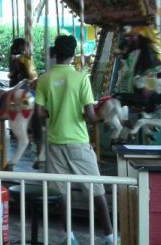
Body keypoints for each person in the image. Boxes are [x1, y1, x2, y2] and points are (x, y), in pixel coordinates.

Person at [35, 35, 116, 245]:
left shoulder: (44, 79)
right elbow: (90, 116)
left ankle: (69, 236)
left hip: (55, 142)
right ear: (73, 54)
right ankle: (109, 236)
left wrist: (55, 113)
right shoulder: (81, 78)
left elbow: (40, 113)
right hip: (78, 141)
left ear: (55, 53)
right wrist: (101, 117)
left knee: (61, 191)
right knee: (96, 188)